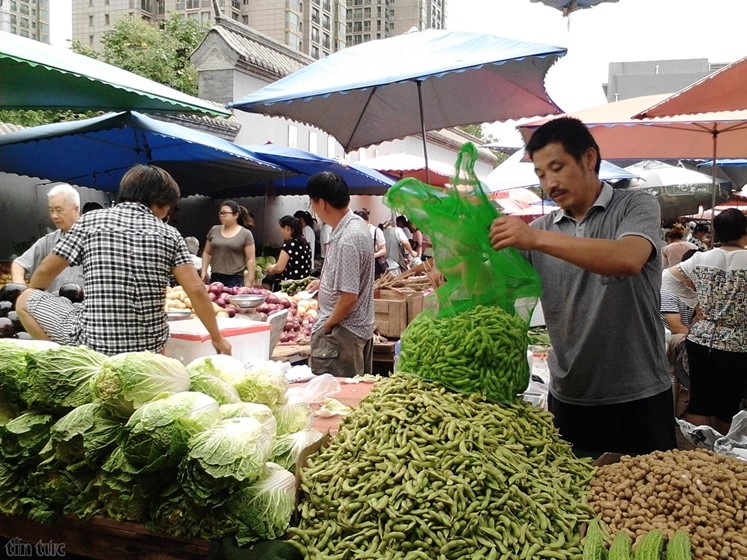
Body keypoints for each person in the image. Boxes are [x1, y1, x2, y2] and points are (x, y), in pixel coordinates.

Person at [489, 116, 676, 456]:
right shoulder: (542, 230)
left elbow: (627, 258)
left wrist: (535, 238)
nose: (549, 183)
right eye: (541, 175)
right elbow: (499, 282)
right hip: (571, 396)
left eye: (557, 168)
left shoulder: (634, 205)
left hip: (639, 394)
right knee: (578, 502)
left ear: (589, 159)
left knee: (650, 502)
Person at [15, 164, 231, 357]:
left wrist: (35, 291)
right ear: (158, 203)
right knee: (153, 330)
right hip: (149, 349)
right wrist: (217, 338)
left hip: (94, 345)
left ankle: (63, 361)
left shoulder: (90, 222)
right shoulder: (169, 234)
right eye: (168, 207)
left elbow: (45, 271)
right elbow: (197, 290)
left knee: (25, 299)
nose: (166, 213)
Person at [663, 208, 747, 435]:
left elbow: (667, 278)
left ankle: (700, 454)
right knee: (728, 404)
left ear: (716, 232)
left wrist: (696, 301)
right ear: (744, 232)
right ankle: (723, 454)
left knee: (700, 399)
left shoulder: (701, 258)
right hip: (737, 341)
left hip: (701, 338)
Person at [306, 172, 374, 377]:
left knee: (338, 401)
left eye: (312, 203)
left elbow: (349, 297)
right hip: (351, 331)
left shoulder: (348, 239)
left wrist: (328, 325)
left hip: (342, 335)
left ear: (322, 204)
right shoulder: (354, 226)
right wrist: (324, 282)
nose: (313, 209)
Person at [11, 183, 85, 294]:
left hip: (85, 308)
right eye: (51, 210)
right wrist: (19, 286)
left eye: (59, 210)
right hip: (51, 309)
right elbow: (19, 264)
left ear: (76, 209)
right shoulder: (48, 241)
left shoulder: (94, 239)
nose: (54, 216)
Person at [201, 200, 256, 288]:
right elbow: (207, 252)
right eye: (220, 213)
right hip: (216, 276)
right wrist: (204, 271)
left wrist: (250, 279)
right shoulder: (214, 230)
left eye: (225, 213)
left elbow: (250, 258)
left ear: (236, 215)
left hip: (235, 278)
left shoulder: (245, 233)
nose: (222, 216)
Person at [263, 215, 312, 291]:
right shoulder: (304, 243)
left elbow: (279, 268)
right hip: (303, 285)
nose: (280, 232)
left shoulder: (289, 244)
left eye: (281, 229)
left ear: (287, 228)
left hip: (290, 286)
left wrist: (271, 269)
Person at [354, 209, 387, 278]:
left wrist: (374, 255)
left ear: (367, 221)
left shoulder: (376, 231)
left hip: (374, 265)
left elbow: (383, 250)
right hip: (360, 265)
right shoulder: (356, 232)